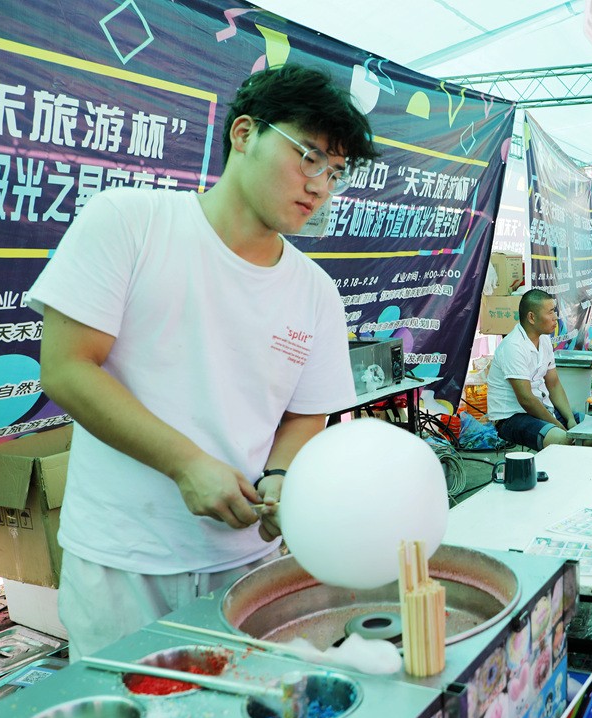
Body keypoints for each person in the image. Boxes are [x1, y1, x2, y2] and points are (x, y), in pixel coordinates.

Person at [26, 64, 378, 660]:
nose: (320, 185)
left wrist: (281, 477)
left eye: (337, 172)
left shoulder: (314, 290)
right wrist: (187, 465)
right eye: (308, 157)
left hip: (248, 562)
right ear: (244, 133)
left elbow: (305, 413)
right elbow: (66, 368)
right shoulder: (131, 223)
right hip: (124, 561)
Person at [487, 289, 582, 450]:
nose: (555, 317)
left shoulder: (544, 340)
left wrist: (570, 419)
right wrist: (559, 426)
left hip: (542, 407)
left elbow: (554, 384)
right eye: (550, 312)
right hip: (511, 417)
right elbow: (526, 399)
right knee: (563, 440)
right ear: (531, 317)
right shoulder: (513, 346)